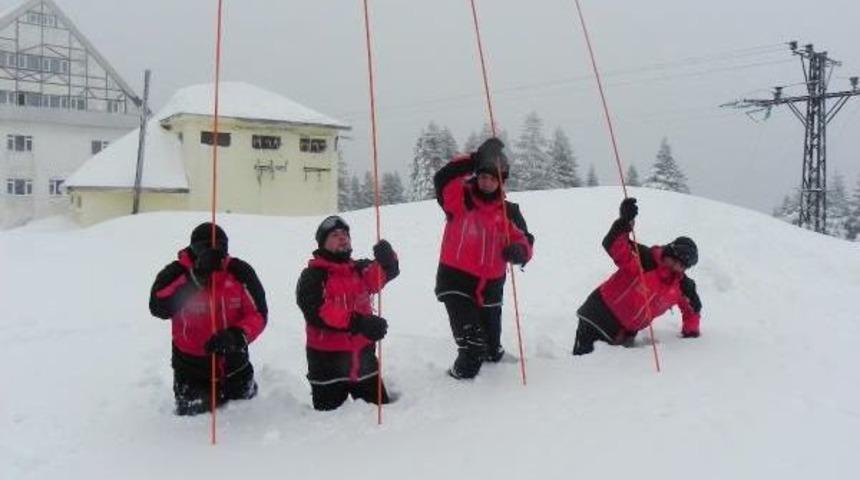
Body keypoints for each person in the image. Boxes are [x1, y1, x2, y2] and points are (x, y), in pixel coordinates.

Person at [433, 137, 535, 380]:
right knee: (473, 348)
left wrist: (520, 252)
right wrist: (474, 159)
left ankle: (495, 386)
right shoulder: (460, 200)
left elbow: (525, 241)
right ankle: (455, 385)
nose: (486, 182)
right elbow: (443, 179)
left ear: (501, 181)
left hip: (491, 287)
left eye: (492, 178)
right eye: (482, 176)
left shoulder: (508, 211)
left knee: (491, 349)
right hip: (456, 282)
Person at [149, 222, 268, 415]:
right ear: (193, 249)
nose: (214, 252)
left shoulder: (239, 271)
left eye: (220, 247)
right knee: (195, 426)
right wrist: (195, 279)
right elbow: (158, 306)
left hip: (235, 364)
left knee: (245, 415)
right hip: (191, 369)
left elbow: (258, 314)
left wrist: (237, 335)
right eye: (205, 248)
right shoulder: (176, 272)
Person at [572, 198, 702, 355]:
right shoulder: (645, 259)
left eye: (681, 265)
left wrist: (691, 332)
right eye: (673, 260)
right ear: (667, 252)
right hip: (597, 319)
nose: (675, 267)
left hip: (624, 335)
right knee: (582, 372)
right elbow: (614, 245)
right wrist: (624, 222)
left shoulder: (682, 286)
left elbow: (693, 310)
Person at [295, 215, 399, 411]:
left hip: (365, 362)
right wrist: (360, 323)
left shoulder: (359, 269)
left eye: (345, 234)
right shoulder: (312, 275)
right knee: (332, 430)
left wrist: (388, 259)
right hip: (327, 367)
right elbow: (317, 312)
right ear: (323, 244)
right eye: (335, 235)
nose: (342, 238)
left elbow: (384, 274)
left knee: (382, 418)